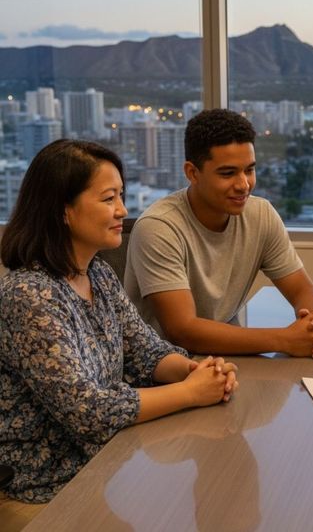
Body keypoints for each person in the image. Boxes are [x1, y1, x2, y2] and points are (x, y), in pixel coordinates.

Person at [0, 140, 238, 521]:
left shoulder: (96, 272)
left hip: (101, 466)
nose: (123, 211)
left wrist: (195, 371)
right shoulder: (30, 294)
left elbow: (146, 351)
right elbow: (87, 411)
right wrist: (190, 393)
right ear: (64, 210)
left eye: (121, 197)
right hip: (41, 490)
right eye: (108, 199)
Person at [125, 108, 313, 357]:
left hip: (227, 360)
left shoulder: (260, 214)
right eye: (228, 173)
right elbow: (182, 330)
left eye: (249, 170)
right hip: (162, 369)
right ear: (192, 173)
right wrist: (284, 340)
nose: (243, 184)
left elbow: (303, 291)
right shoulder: (159, 227)